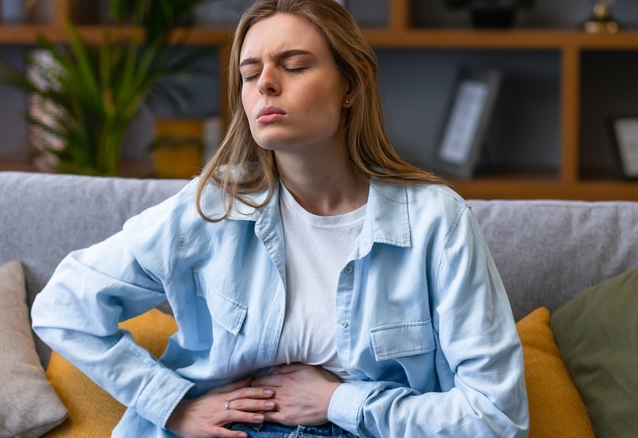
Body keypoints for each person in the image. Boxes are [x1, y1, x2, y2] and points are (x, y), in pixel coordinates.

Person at [31, 0, 529, 436]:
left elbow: (497, 418)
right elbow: (63, 307)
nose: (265, 83)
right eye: (250, 74)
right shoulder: (213, 206)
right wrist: (174, 405)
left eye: (293, 65)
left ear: (351, 84)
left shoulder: (435, 222)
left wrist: (338, 401)